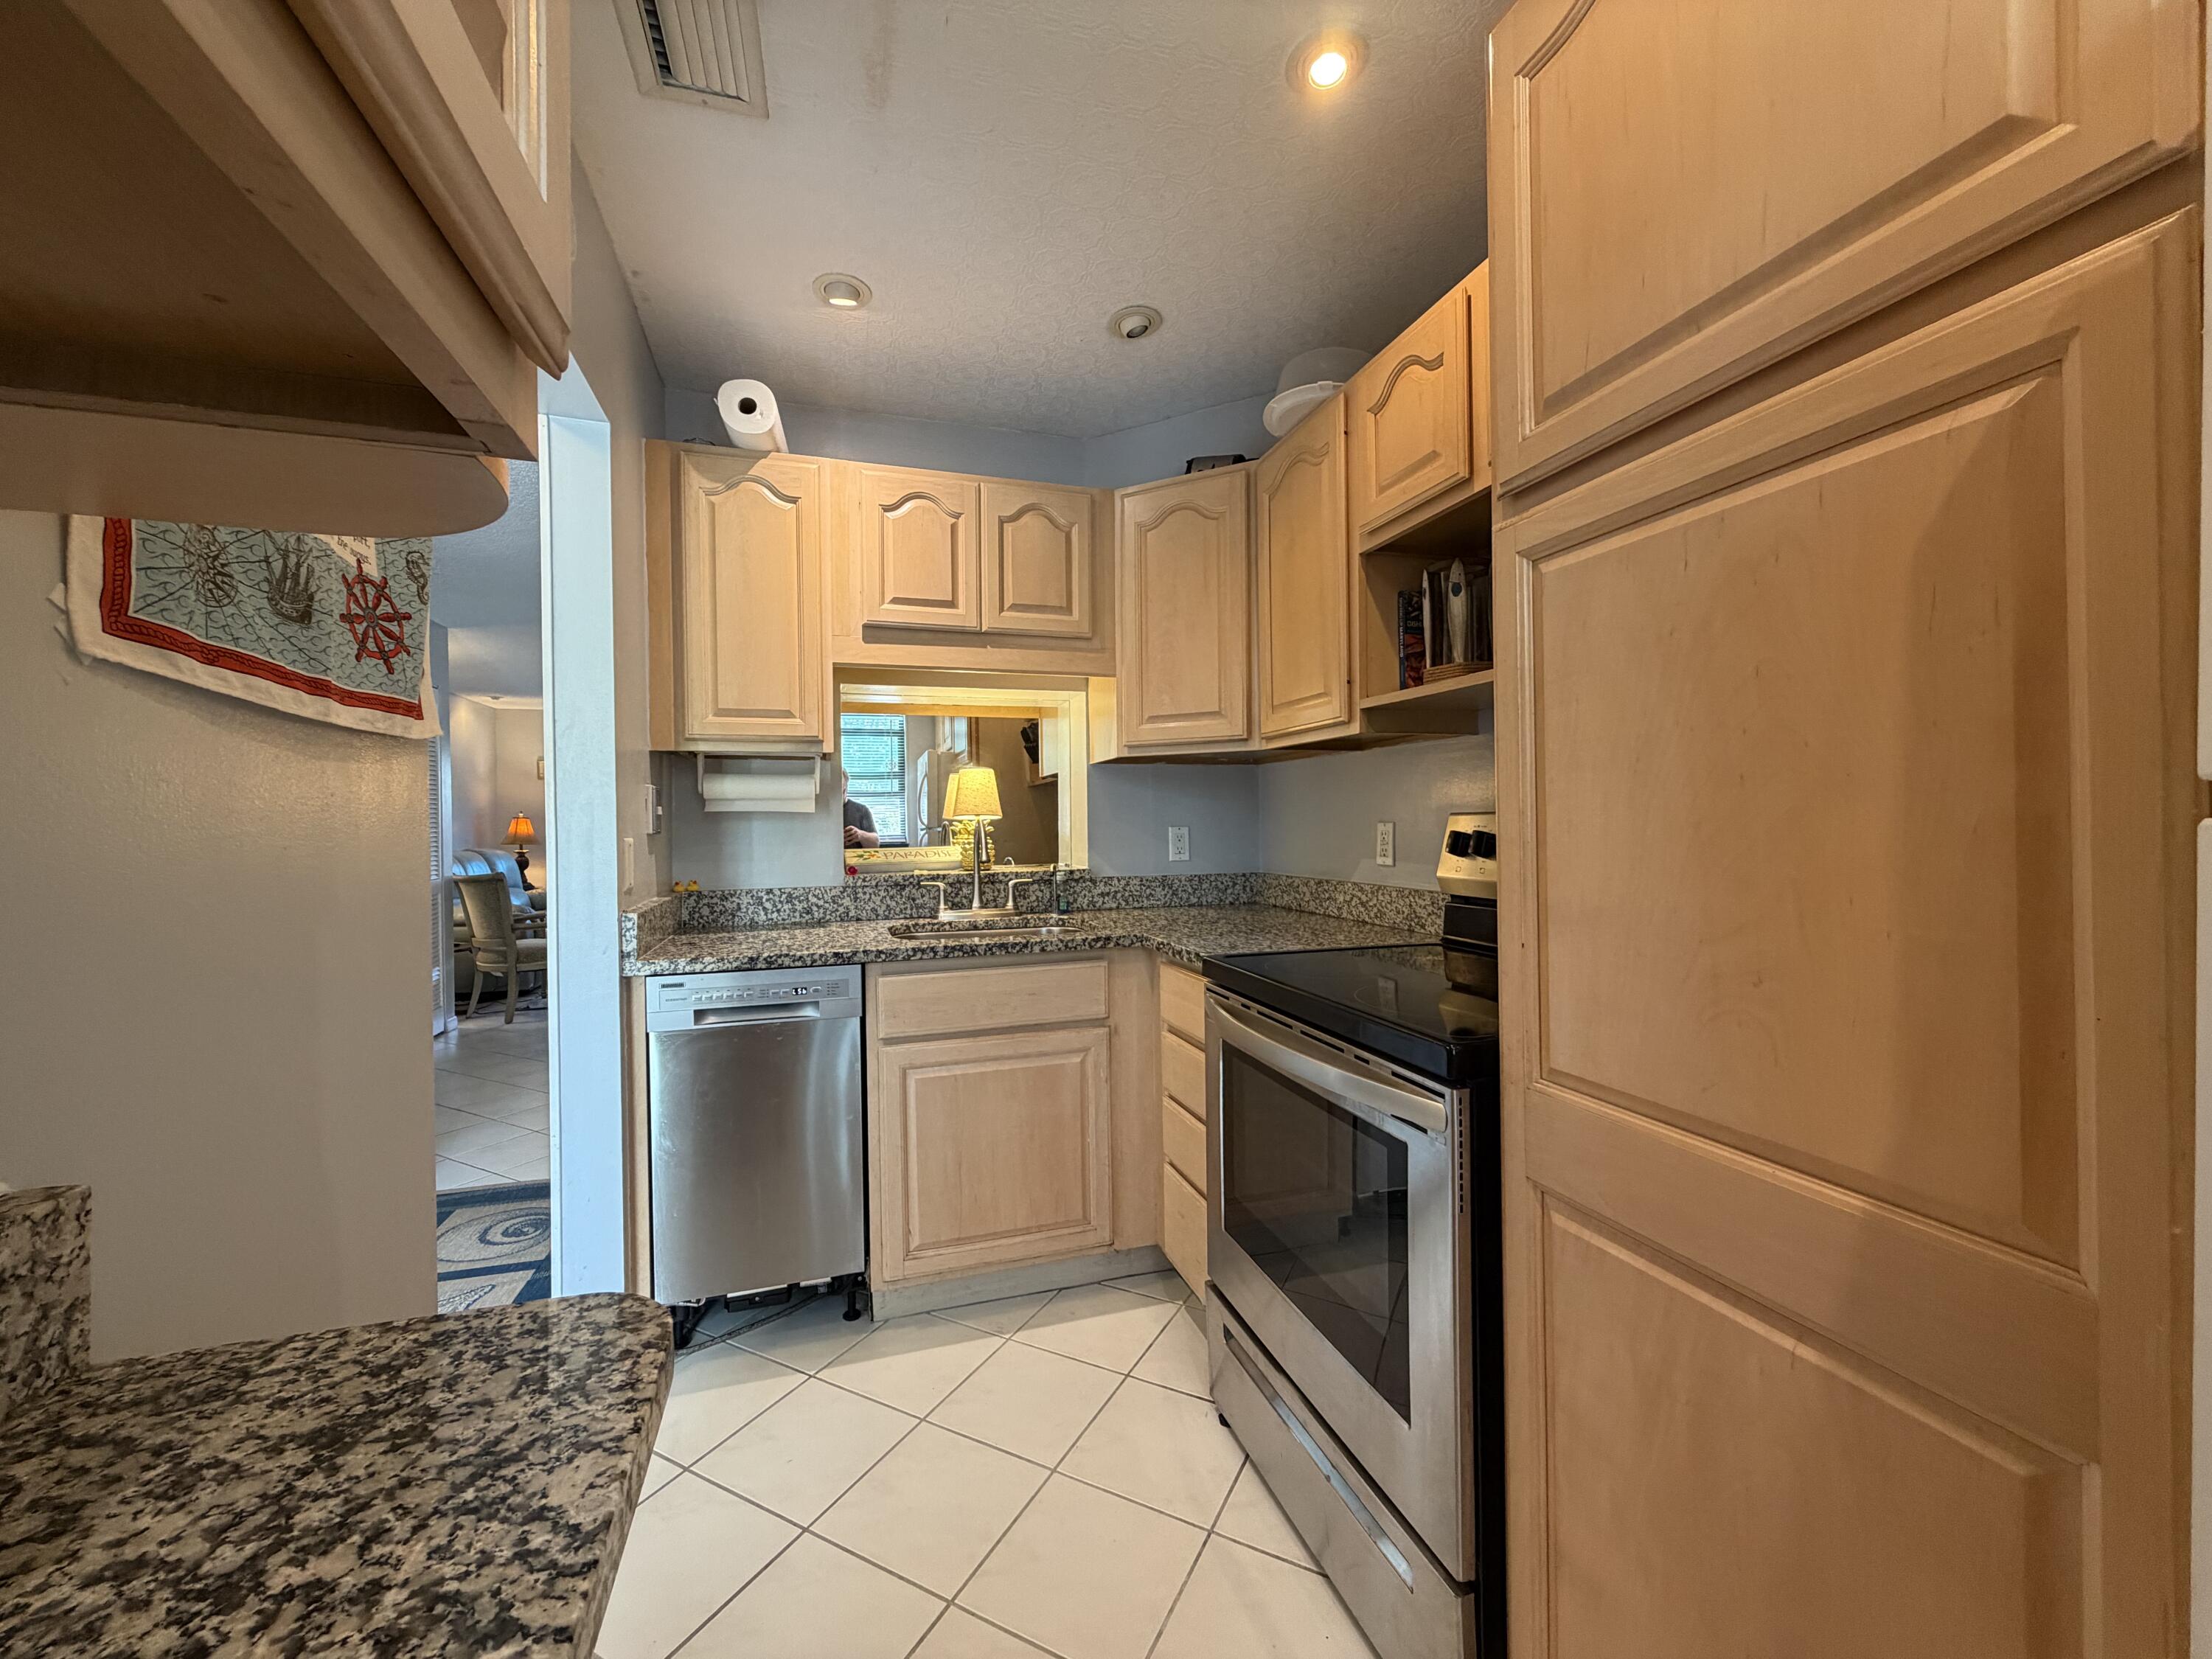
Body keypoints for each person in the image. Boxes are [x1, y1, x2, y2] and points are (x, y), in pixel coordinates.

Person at [842, 777, 880, 849]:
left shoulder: (861, 810)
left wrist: (860, 835)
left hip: (853, 859)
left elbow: (876, 844)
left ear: (845, 789)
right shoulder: (820, 811)